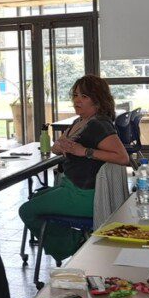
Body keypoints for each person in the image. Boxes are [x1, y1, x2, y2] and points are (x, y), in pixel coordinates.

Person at [19, 75, 129, 262]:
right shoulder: (80, 122)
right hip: (69, 186)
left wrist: (84, 151)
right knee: (36, 198)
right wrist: (59, 147)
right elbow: (57, 148)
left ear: (97, 99)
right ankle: (73, 241)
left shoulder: (99, 125)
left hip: (83, 195)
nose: (77, 100)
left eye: (84, 96)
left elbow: (123, 158)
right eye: (76, 95)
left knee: (27, 210)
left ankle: (76, 244)